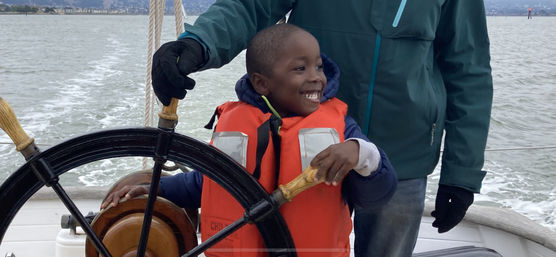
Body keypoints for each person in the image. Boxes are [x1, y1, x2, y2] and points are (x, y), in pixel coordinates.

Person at [150, 1, 493, 256]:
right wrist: (197, 44)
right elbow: (251, 6)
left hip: (403, 155)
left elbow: (468, 66)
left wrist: (461, 174)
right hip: (306, 151)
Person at [104, 24, 397, 256]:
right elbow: (206, 185)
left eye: (319, 66)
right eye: (300, 68)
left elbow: (378, 194)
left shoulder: (341, 129)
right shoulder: (236, 125)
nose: (316, 77)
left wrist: (360, 154)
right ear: (261, 82)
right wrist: (153, 189)